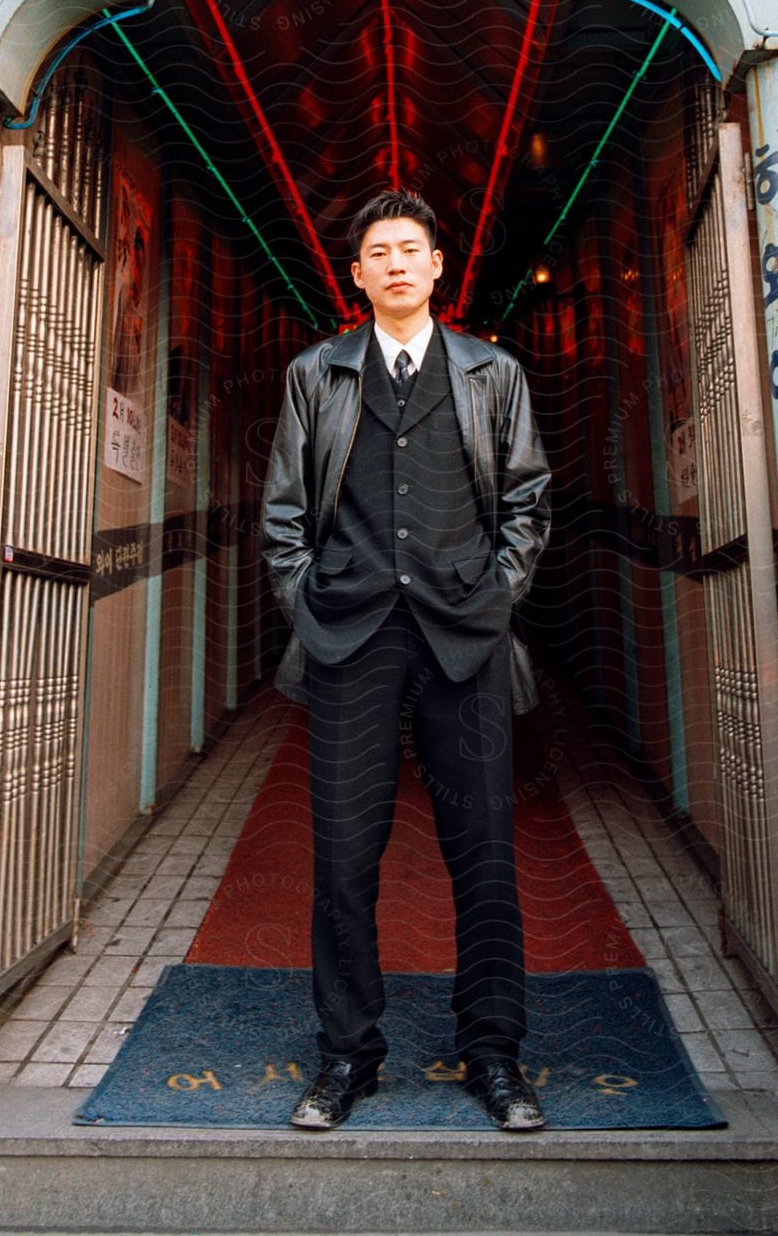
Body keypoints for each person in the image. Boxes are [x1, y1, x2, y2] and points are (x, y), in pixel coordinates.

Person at [260, 189, 553, 1133]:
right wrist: (305, 603)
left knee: (485, 856)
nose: (394, 263)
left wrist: (496, 592)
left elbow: (527, 497)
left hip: (464, 633)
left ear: (437, 268)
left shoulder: (489, 373)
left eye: (409, 250)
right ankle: (346, 1054)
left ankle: (496, 1055)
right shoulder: (317, 374)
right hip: (349, 635)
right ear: (357, 276)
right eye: (376, 251)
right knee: (344, 856)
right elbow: (281, 512)